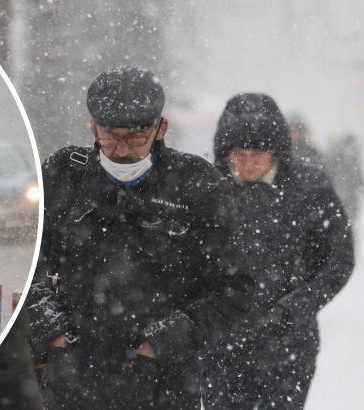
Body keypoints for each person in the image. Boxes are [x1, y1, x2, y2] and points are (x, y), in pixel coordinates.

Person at [27, 66, 253, 409]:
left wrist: (164, 342)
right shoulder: (63, 175)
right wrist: (52, 333)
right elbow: (27, 266)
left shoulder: (197, 185)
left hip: (164, 383)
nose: (120, 150)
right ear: (92, 126)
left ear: (161, 128)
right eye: (109, 135)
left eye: (134, 138)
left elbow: (236, 289)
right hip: (71, 379)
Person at [203, 93, 354, 409]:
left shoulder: (310, 188)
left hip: (288, 348)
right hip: (219, 347)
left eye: (258, 154)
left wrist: (294, 307)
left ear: (277, 153)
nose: (248, 163)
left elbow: (338, 258)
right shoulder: (206, 188)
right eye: (239, 154)